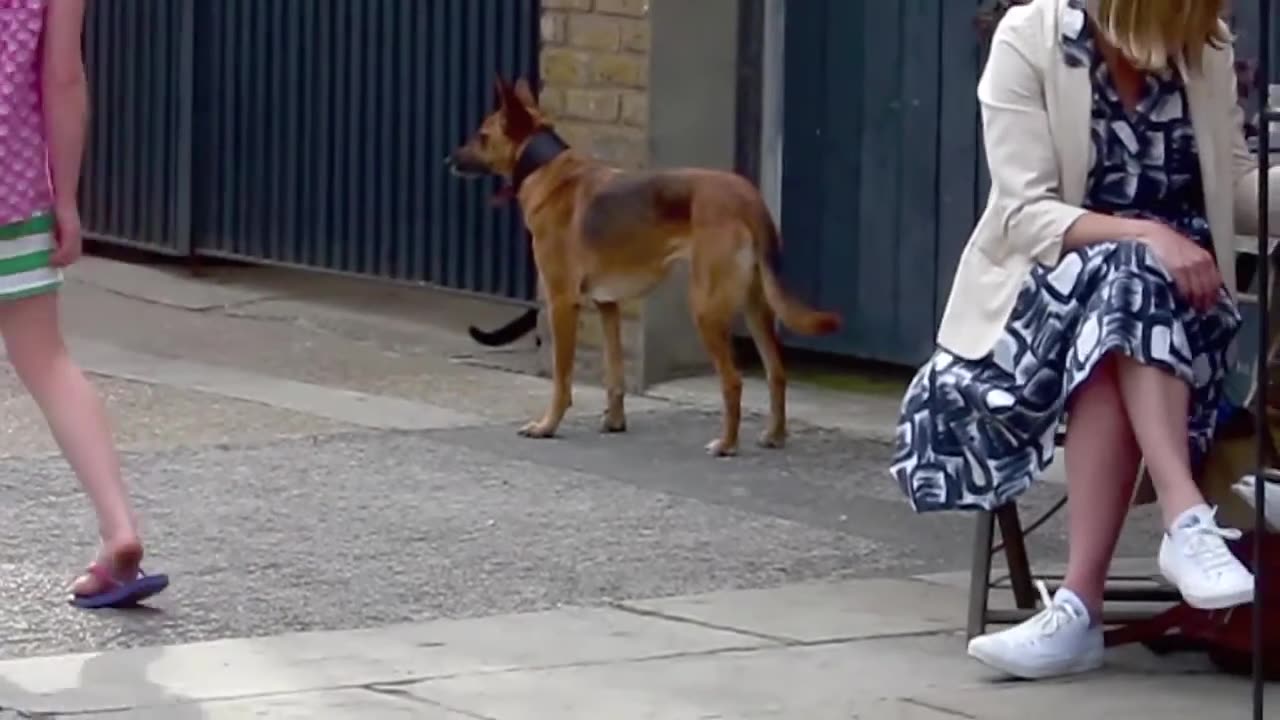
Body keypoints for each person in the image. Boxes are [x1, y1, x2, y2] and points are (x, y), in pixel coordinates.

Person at [890, 0, 1276, 679]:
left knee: (1122, 314)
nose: (1214, 17)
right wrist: (1149, 235)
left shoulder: (1202, 51)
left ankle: (1079, 611)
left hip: (1186, 328)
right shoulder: (1032, 41)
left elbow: (1236, 182)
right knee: (1126, 281)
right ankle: (1185, 522)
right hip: (1040, 315)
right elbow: (1023, 212)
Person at [1, 0, 167, 607]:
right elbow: (63, 78)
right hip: (13, 194)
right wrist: (64, 199)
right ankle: (119, 526)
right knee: (48, 363)